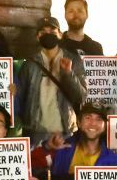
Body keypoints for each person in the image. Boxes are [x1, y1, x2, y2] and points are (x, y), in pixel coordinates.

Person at [15, 17, 87, 148]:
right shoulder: (29, 64)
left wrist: (68, 74)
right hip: (36, 134)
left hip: (66, 133)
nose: (48, 34)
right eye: (43, 31)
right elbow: (20, 99)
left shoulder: (73, 59)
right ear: (38, 37)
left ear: (60, 34)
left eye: (52, 30)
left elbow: (81, 97)